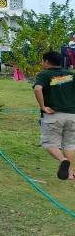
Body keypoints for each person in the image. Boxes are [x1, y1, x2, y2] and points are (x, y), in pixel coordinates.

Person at [33, 51, 75, 180]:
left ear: (46, 62)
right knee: (70, 144)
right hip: (72, 115)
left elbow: (37, 88)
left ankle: (62, 160)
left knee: (49, 143)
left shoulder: (44, 74)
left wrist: (42, 106)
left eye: (42, 61)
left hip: (53, 114)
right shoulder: (70, 75)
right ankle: (70, 173)